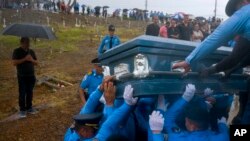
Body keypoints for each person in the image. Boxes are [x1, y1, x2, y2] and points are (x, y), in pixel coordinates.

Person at [172, 0, 250, 73]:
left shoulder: (245, 12)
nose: (237, 14)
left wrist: (189, 61)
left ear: (243, 2)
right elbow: (240, 55)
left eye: (236, 12)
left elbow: (216, 38)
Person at [149, 84, 229, 141]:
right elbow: (224, 132)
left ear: (192, 127)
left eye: (186, 121)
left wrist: (156, 132)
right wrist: (222, 125)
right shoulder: (222, 137)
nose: (185, 121)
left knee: (151, 125)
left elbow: (168, 120)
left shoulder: (178, 138)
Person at [64, 83, 138, 141]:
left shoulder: (70, 135)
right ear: (84, 131)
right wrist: (127, 104)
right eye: (94, 129)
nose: (96, 130)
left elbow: (85, 111)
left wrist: (100, 89)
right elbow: (108, 127)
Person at [12, 37, 38, 118]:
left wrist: (31, 60)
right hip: (22, 76)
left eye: (29, 42)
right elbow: (14, 62)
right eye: (26, 43)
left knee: (30, 92)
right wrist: (25, 59)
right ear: (22, 43)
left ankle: (29, 107)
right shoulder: (17, 51)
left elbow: (36, 62)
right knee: (22, 93)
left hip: (31, 75)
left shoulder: (31, 51)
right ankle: (22, 110)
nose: (28, 44)